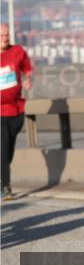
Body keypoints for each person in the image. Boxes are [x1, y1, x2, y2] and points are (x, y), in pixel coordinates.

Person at [1, 24, 32, 200]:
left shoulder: (17, 51)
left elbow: (27, 67)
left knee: (9, 149)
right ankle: (5, 186)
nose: (5, 38)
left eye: (7, 35)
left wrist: (28, 79)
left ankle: (1, 176)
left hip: (16, 109)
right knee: (3, 147)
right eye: (1, 36)